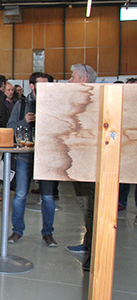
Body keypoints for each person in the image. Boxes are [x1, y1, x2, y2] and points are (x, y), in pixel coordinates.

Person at [6, 72, 58, 247]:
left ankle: (48, 233)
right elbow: (10, 127)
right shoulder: (21, 105)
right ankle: (17, 231)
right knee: (20, 195)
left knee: (48, 197)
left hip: (47, 156)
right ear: (32, 86)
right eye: (41, 85)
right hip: (24, 156)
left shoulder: (55, 104)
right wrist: (24, 121)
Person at [66, 64, 97, 271]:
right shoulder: (78, 100)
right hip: (78, 163)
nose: (69, 81)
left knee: (93, 209)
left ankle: (93, 253)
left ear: (84, 78)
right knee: (85, 207)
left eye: (73, 77)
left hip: (92, 165)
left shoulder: (95, 101)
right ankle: (88, 242)